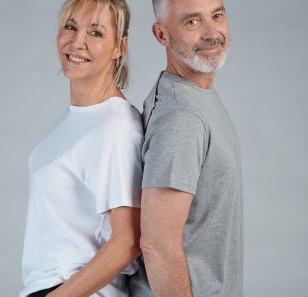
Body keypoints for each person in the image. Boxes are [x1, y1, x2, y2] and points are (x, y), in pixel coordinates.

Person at [20, 1, 143, 296]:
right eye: (71, 26)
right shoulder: (80, 117)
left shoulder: (116, 127)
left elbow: (128, 241)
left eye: (96, 33)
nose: (77, 42)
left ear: (119, 47)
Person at [129, 0, 243, 297]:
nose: (212, 33)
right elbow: (158, 246)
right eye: (192, 22)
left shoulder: (193, 94)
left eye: (217, 15)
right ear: (161, 35)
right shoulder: (182, 118)